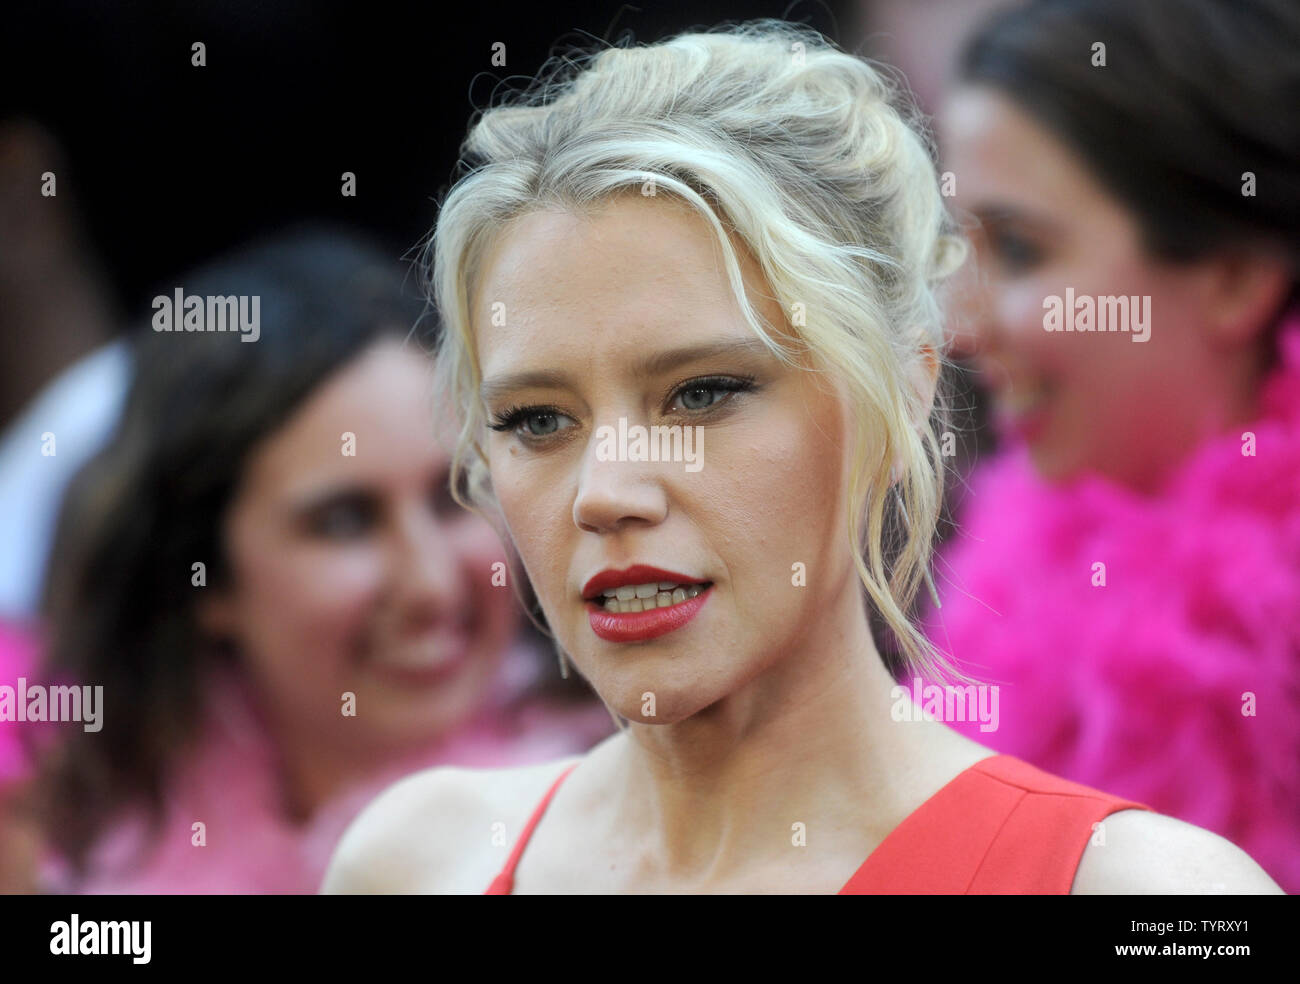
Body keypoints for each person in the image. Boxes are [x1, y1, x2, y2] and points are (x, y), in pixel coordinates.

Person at [322, 21, 1282, 894]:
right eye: (536, 419)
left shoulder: (1151, 897)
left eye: (703, 394)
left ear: (900, 390)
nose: (604, 493)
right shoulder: (418, 861)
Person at [29, 226, 612, 893]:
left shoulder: (625, 834)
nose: (428, 582)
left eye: (454, 495)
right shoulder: (94, 860)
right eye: (345, 522)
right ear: (206, 580)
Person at [921, 0, 1300, 891]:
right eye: (956, 249)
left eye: (1018, 248)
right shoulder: (994, 578)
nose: (957, 328)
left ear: (1235, 278)